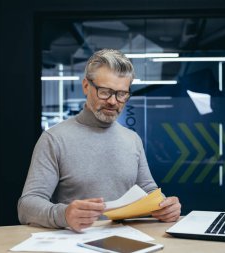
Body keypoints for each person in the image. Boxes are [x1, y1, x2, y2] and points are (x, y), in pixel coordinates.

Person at [18, 48, 181, 232]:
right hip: (73, 244)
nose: (113, 101)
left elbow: (149, 190)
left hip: (127, 241)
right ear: (86, 86)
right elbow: (26, 206)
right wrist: (64, 215)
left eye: (121, 94)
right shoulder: (53, 139)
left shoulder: (132, 139)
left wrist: (165, 206)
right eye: (105, 92)